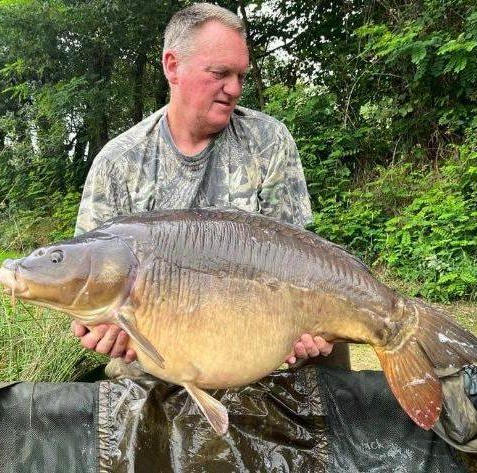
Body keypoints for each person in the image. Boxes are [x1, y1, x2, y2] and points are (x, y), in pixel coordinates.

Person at [72, 3, 350, 374]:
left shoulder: (267, 141)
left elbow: (299, 263)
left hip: (258, 348)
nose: (233, 89)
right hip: (158, 359)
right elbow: (89, 278)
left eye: (241, 76)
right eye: (220, 73)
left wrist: (306, 330)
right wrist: (102, 329)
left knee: (331, 346)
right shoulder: (119, 162)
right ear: (173, 66)